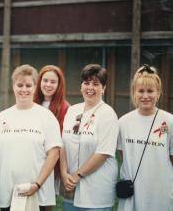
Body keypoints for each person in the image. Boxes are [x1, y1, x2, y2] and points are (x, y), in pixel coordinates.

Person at [0, 64, 62, 211]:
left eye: (28, 85)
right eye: (20, 85)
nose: (24, 89)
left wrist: (37, 184)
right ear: (13, 86)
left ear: (35, 86)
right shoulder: (2, 117)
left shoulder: (46, 116)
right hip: (8, 193)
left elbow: (54, 154)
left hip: (39, 194)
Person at [60, 64, 118, 211]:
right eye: (86, 83)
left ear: (103, 88)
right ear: (81, 86)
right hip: (70, 187)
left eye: (96, 84)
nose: (90, 87)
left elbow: (103, 152)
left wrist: (77, 176)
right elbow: (63, 145)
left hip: (96, 190)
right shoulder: (72, 111)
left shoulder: (108, 114)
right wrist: (64, 174)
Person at [117, 65, 173, 211]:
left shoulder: (169, 121)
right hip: (133, 191)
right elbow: (123, 155)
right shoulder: (123, 122)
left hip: (160, 191)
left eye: (150, 91)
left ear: (158, 93)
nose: (145, 96)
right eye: (141, 91)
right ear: (134, 93)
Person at [34, 65, 70, 210]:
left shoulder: (65, 108)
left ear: (59, 84)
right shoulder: (31, 103)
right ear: (39, 81)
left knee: (45, 204)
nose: (48, 85)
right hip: (31, 161)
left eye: (53, 82)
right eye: (45, 80)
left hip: (50, 165)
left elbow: (61, 142)